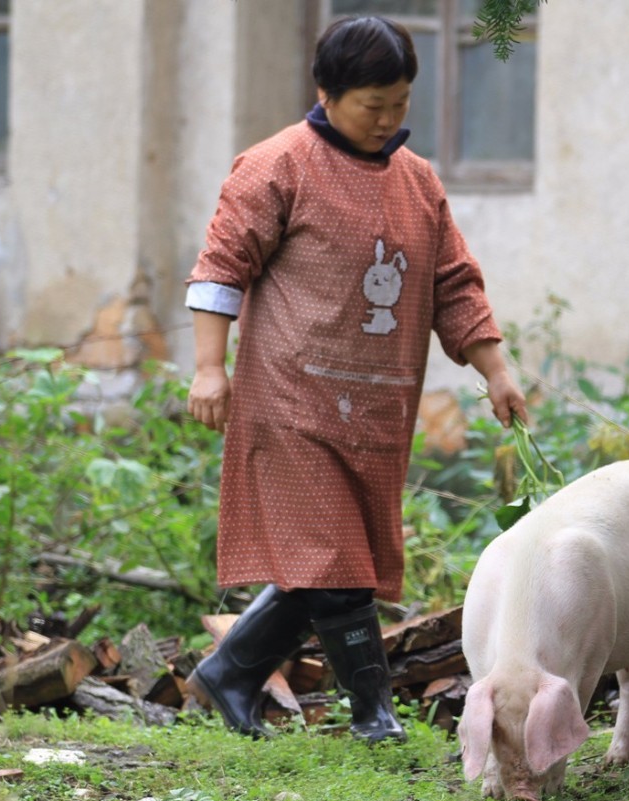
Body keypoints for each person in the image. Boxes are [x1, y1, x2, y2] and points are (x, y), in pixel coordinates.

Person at [182, 15, 527, 741]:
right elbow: (221, 267)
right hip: (290, 399)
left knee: (336, 558)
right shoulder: (276, 165)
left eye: (400, 102)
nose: (389, 119)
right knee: (337, 558)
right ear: (328, 93)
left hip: (376, 410)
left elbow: (453, 284)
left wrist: (496, 368)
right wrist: (210, 368)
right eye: (374, 105)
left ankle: (231, 671)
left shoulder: (418, 182)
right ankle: (374, 714)